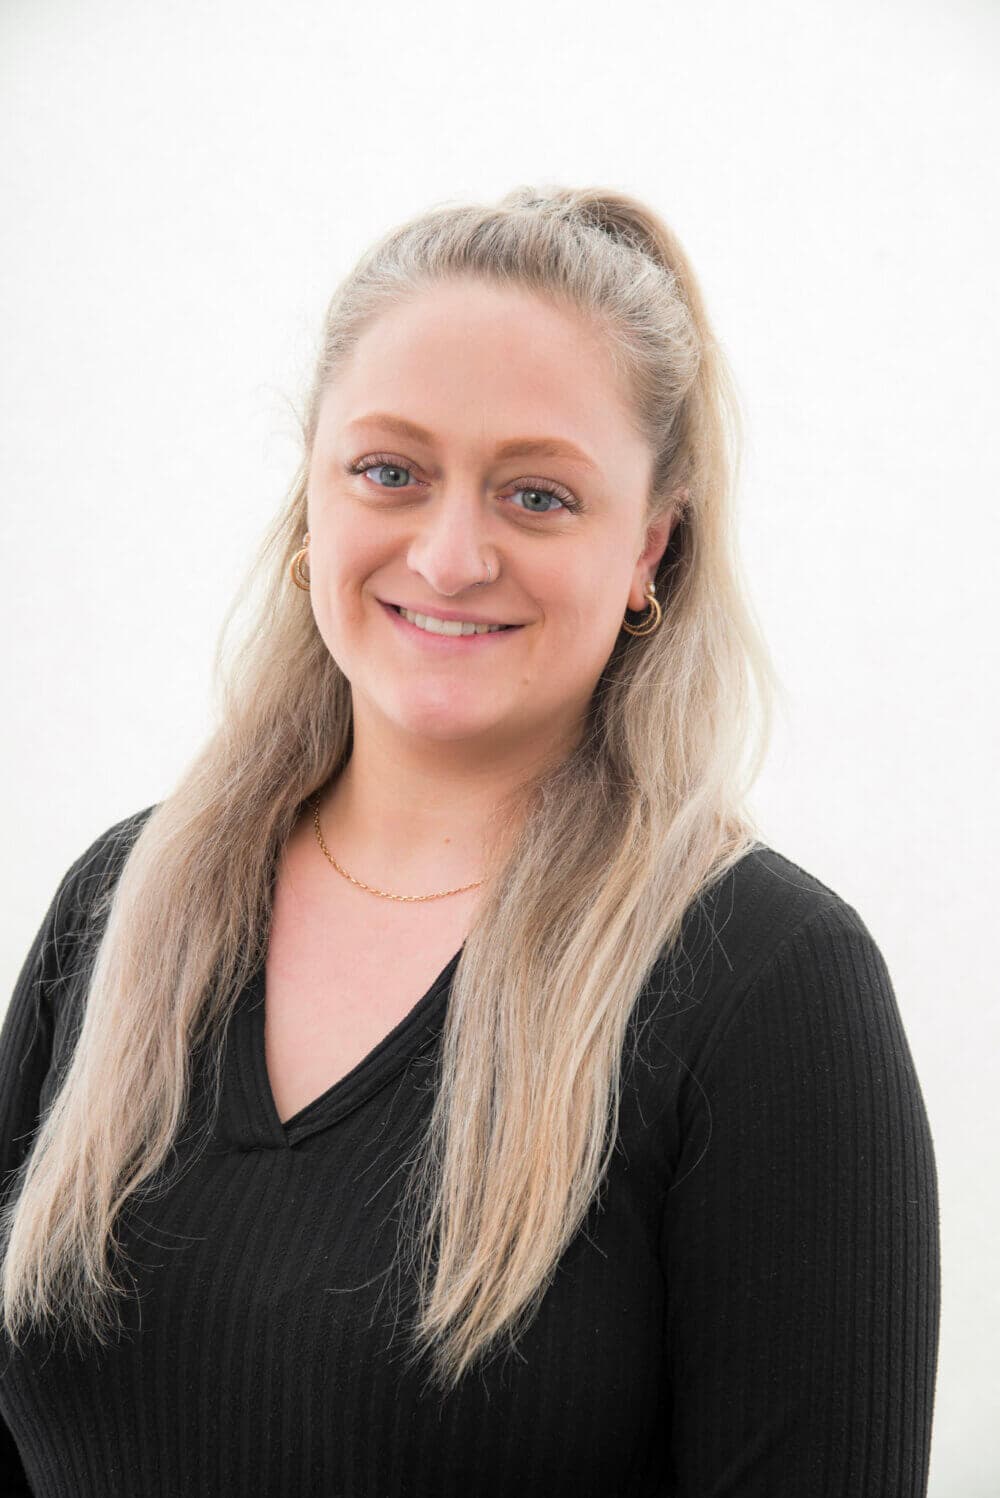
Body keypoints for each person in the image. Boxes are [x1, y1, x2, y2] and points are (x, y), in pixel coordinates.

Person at [0, 185, 940, 1496]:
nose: (449, 557)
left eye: (538, 495)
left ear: (649, 547)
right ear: (312, 497)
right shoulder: (123, 903)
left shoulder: (768, 984)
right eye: (390, 472)